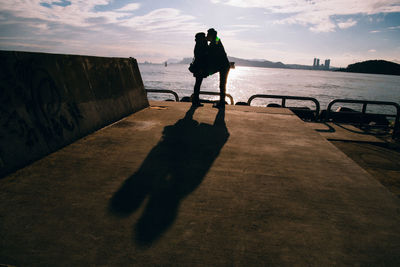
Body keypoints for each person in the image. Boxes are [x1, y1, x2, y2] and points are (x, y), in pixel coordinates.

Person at [206, 28, 230, 109]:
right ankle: (222, 102)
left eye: (207, 35)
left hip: (223, 66)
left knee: (222, 84)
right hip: (221, 65)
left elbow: (211, 51)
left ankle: (222, 103)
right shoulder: (215, 40)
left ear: (211, 35)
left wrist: (207, 43)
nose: (207, 36)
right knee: (222, 84)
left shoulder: (216, 40)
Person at [190, 32, 209, 107]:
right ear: (201, 38)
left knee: (197, 84)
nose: (205, 37)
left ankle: (196, 100)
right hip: (200, 68)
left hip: (198, 67)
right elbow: (200, 57)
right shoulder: (200, 44)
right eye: (204, 36)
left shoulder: (199, 44)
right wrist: (201, 68)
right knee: (198, 84)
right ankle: (196, 101)